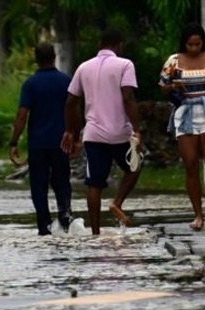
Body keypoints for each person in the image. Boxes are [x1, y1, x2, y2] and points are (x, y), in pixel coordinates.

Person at [61, 28, 142, 235]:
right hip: (120, 133)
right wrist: (137, 129)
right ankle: (117, 203)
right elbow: (128, 98)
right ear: (119, 46)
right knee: (135, 166)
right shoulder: (125, 65)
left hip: (94, 135)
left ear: (100, 45)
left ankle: (96, 233)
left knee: (94, 184)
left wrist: (72, 130)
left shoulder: (83, 67)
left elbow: (71, 102)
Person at [159, 22, 205, 230]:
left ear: (203, 43)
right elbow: (162, 86)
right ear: (184, 43)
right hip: (186, 113)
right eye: (190, 44)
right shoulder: (174, 61)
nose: (194, 48)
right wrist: (173, 86)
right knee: (190, 164)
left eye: (198, 44)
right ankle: (198, 214)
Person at [10, 42, 72, 236]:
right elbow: (74, 110)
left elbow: (22, 115)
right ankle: (65, 215)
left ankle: (43, 224)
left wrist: (14, 141)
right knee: (62, 180)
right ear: (54, 57)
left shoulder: (30, 84)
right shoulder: (66, 81)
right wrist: (76, 136)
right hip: (61, 141)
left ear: (36, 59)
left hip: (37, 143)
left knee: (39, 184)